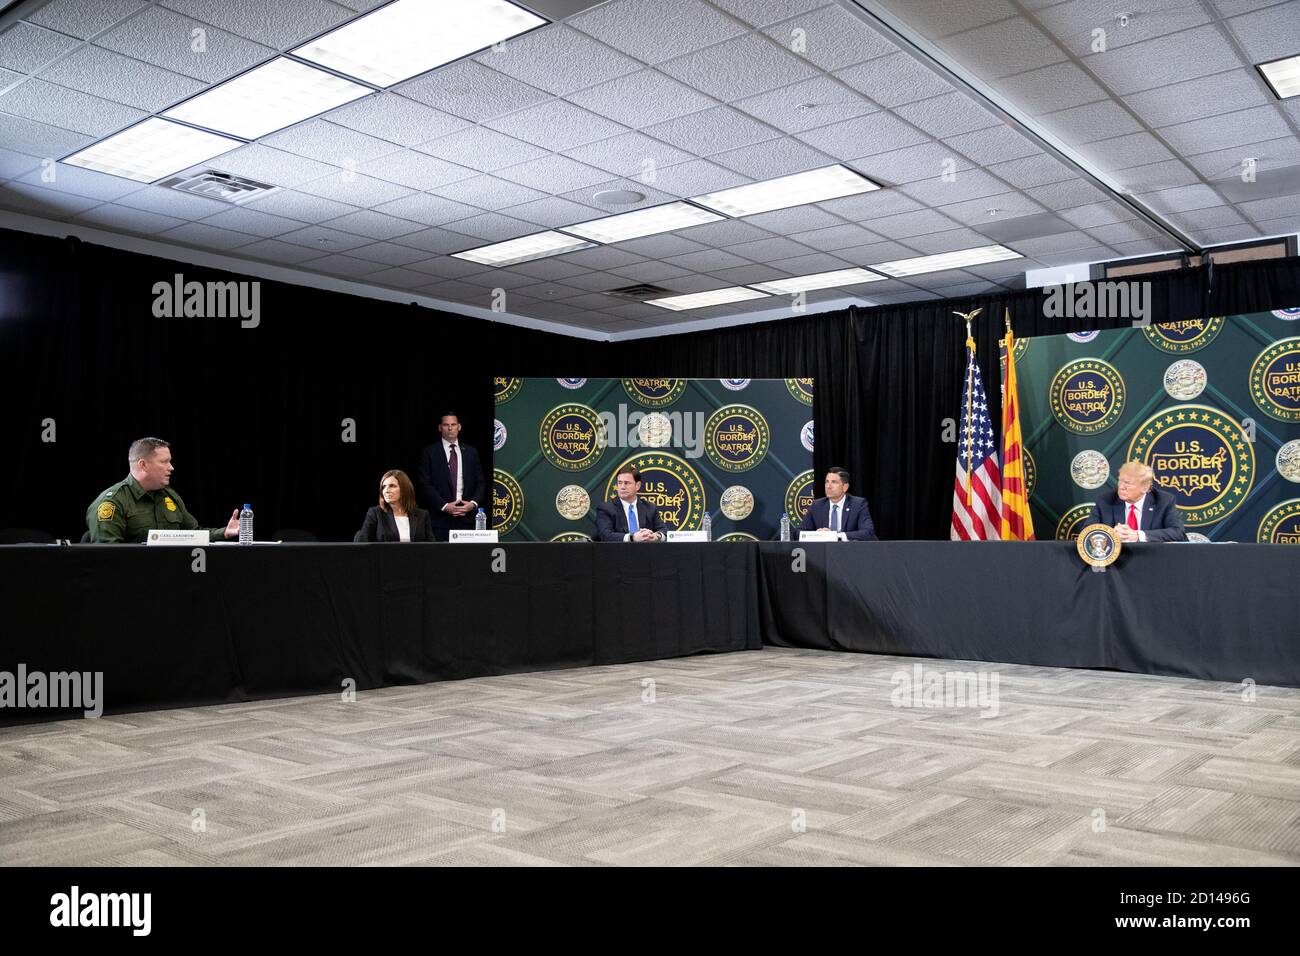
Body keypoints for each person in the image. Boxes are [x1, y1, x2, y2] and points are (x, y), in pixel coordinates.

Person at [86, 437, 239, 543]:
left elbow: (193, 534)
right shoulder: (112, 502)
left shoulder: (170, 496)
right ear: (143, 464)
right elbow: (107, 557)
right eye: (164, 462)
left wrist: (224, 532)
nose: (171, 467)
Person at [415, 413, 486, 542]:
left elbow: (480, 483)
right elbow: (424, 484)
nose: (450, 428)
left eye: (453, 425)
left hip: (467, 519)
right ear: (440, 428)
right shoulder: (429, 452)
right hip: (440, 520)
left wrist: (473, 503)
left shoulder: (471, 452)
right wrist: (444, 506)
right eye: (446, 425)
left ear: (459, 427)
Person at [1089, 460, 1186, 542]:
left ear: (1144, 487)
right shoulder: (1106, 500)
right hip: (1117, 561)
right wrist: (1110, 534)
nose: (1121, 487)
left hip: (1152, 559)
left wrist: (1138, 535)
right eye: (1120, 481)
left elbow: (1178, 532)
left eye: (1127, 483)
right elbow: (1087, 531)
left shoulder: (1163, 501)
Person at [355, 470, 434, 542]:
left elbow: (432, 547)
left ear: (405, 489)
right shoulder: (375, 513)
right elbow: (362, 543)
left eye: (392, 486)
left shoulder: (422, 515)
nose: (386, 491)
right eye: (383, 487)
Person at [799, 467, 877, 540]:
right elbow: (798, 532)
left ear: (845, 487)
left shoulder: (858, 504)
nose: (828, 486)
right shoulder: (817, 505)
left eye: (834, 482)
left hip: (849, 551)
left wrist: (835, 535)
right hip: (823, 551)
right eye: (827, 482)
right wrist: (818, 535)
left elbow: (868, 532)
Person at [595, 467, 665, 542]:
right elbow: (606, 535)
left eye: (627, 483)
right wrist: (632, 537)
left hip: (646, 552)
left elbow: (664, 531)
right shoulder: (606, 509)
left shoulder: (650, 508)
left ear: (637, 485)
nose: (622, 487)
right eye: (620, 483)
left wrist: (656, 536)